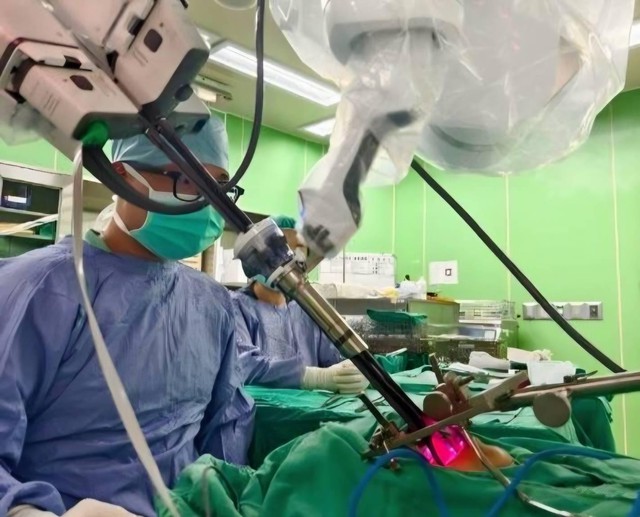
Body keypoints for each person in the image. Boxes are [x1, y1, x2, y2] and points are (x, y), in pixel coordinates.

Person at [0, 116, 254, 517]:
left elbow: (224, 434)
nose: (206, 202)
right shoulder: (41, 288)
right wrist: (25, 512)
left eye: (219, 186)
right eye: (185, 179)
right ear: (121, 178)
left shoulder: (212, 302)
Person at [232, 216, 369, 393]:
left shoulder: (307, 309)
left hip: (310, 408)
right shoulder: (235, 308)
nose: (291, 258)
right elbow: (241, 365)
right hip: (258, 410)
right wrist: (313, 378)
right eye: (283, 249)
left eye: (299, 249)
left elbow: (335, 358)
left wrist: (355, 372)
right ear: (258, 258)